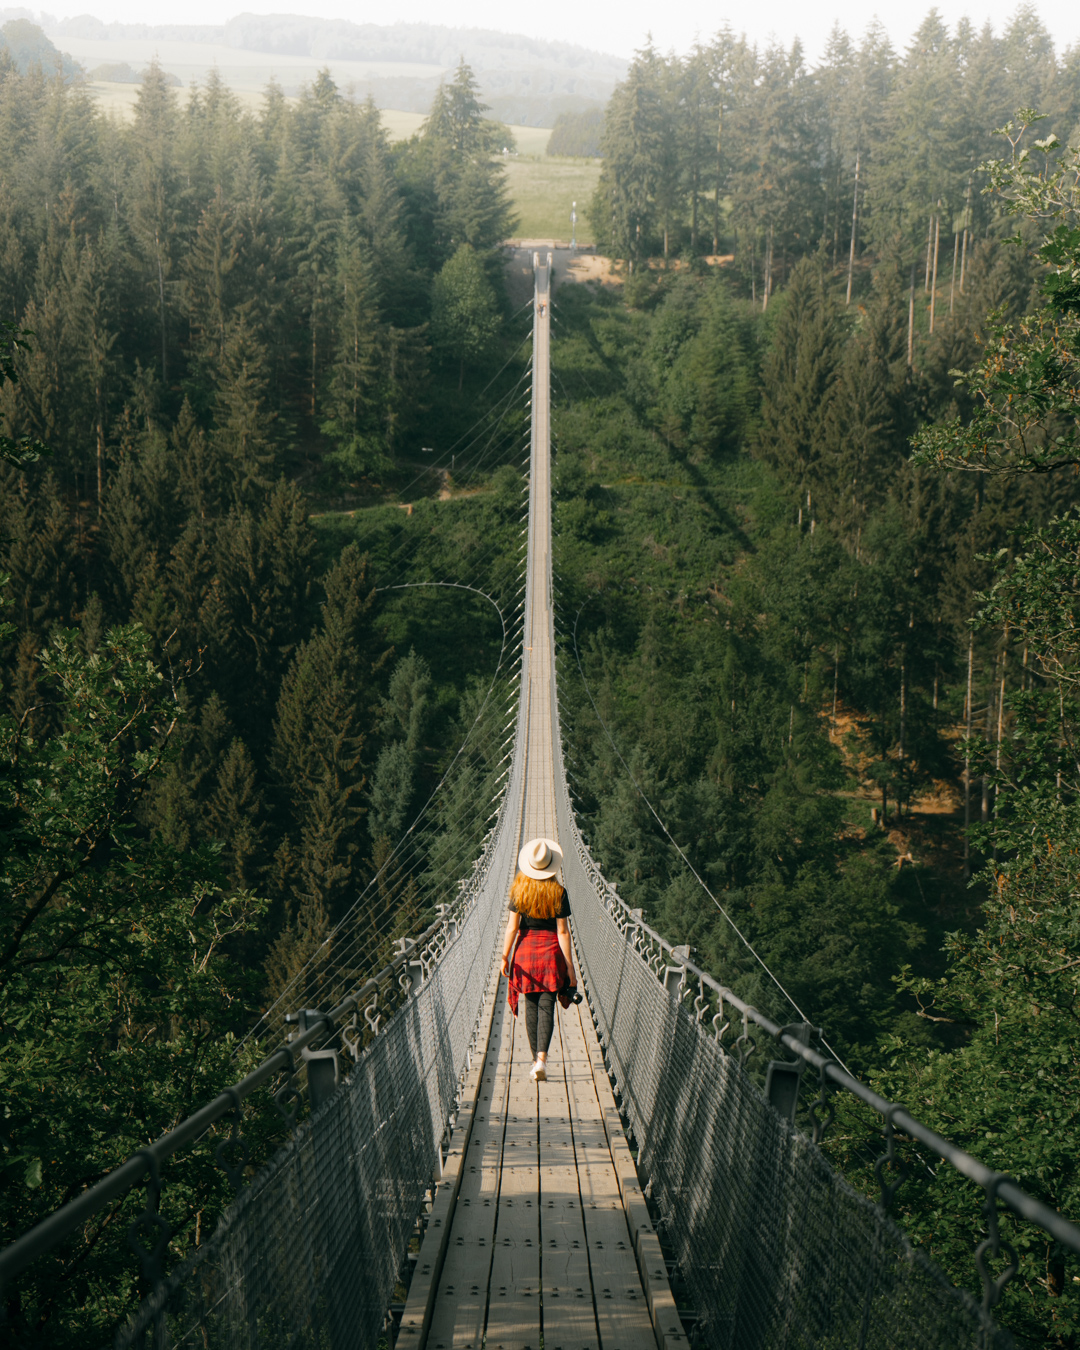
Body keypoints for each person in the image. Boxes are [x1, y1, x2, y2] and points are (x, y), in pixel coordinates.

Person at [500, 836, 576, 1082]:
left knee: (531, 1006)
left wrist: (505, 957)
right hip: (551, 954)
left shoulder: (519, 889)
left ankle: (536, 1062)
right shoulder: (559, 892)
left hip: (525, 954)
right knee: (547, 1005)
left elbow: (512, 927)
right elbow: (563, 932)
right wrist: (570, 968)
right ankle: (541, 1059)